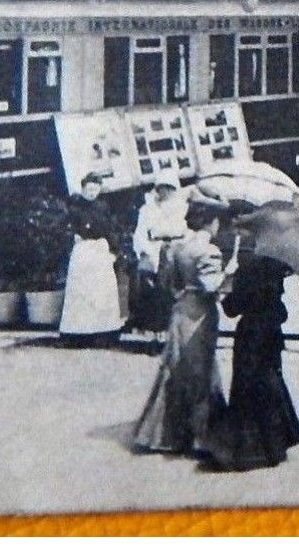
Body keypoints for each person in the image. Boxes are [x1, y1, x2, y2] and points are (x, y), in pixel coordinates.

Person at [133, 193, 230, 455]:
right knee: (201, 368)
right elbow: (212, 287)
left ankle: (164, 433)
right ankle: (202, 434)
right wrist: (229, 273)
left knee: (177, 367)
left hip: (179, 310)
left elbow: (169, 284)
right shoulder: (209, 251)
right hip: (200, 313)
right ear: (212, 223)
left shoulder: (177, 247)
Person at [200, 252, 299, 471]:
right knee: (271, 382)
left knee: (247, 388)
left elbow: (231, 309)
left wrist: (227, 285)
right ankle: (275, 445)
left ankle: (251, 450)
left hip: (250, 336)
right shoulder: (276, 266)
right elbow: (279, 307)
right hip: (272, 335)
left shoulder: (245, 270)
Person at [60, 172, 125, 346]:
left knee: (102, 292)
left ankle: (105, 332)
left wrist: (115, 251)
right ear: (82, 188)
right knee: (82, 292)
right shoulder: (74, 208)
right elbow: (65, 228)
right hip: (83, 251)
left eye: (95, 189)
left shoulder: (103, 207)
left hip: (100, 251)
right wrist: (72, 236)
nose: (92, 193)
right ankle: (79, 334)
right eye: (89, 189)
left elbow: (110, 229)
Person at [130, 172, 188, 342]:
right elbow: (140, 234)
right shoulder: (147, 209)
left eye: (170, 188)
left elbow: (187, 231)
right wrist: (146, 251)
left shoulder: (182, 207)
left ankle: (174, 334)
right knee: (151, 290)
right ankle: (154, 333)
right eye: (162, 188)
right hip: (154, 248)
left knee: (174, 291)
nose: (166, 192)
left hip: (175, 247)